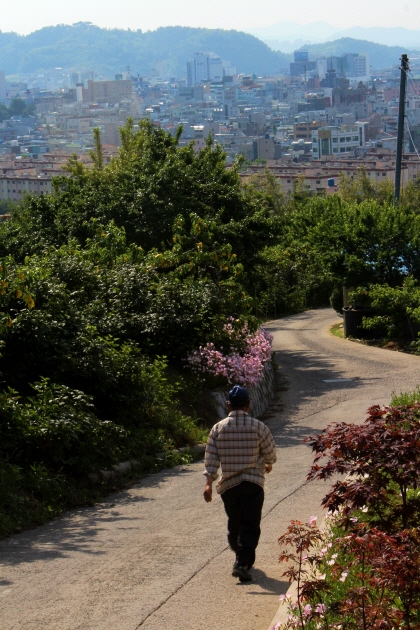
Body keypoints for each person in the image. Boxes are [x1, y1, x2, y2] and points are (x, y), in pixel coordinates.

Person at [203, 384, 277, 582]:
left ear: (228, 405)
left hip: (229, 486)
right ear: (248, 404)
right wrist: (266, 463)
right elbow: (271, 454)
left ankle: (239, 553)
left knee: (235, 521)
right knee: (250, 524)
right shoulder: (259, 427)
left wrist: (209, 483)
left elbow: (211, 459)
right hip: (253, 484)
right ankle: (242, 562)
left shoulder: (217, 429)